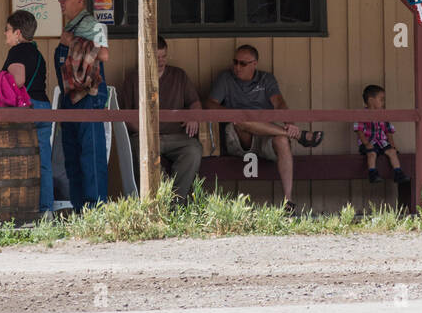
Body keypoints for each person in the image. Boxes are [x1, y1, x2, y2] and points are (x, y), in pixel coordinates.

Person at [205, 44, 322, 215]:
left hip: (264, 135)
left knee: (282, 140)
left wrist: (290, 123)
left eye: (243, 64)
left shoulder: (266, 79)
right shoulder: (225, 78)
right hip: (238, 138)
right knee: (242, 119)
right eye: (235, 62)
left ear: (254, 64)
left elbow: (279, 103)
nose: (237, 67)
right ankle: (299, 136)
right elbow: (209, 104)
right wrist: (233, 113)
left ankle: (288, 201)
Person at [120, 37, 204, 202]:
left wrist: (193, 116)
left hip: (177, 137)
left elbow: (195, 103)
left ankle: (176, 201)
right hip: (145, 137)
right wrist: (144, 131)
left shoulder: (179, 75)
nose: (160, 61)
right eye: (156, 57)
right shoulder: (133, 79)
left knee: (194, 149)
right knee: (138, 149)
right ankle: (161, 197)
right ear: (146, 57)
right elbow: (125, 114)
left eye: (163, 56)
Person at [51, 0, 110, 212]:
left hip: (89, 98)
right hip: (70, 98)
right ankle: (80, 211)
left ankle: (95, 211)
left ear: (80, 1)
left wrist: (70, 42)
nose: (61, 3)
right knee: (73, 158)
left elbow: (104, 54)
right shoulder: (73, 25)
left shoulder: (90, 24)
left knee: (91, 157)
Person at [2, 10, 54, 218]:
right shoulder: (37, 52)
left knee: (18, 158)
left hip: (26, 110)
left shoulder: (18, 51)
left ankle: (21, 210)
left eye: (7, 30)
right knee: (43, 162)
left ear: (18, 32)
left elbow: (18, 80)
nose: (5, 34)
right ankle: (46, 210)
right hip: (43, 107)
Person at [354, 85, 408, 184]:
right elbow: (359, 130)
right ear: (371, 100)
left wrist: (392, 145)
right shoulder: (362, 114)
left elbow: (388, 131)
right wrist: (366, 144)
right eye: (381, 99)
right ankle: (372, 173)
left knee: (392, 152)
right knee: (372, 153)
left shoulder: (383, 114)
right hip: (368, 142)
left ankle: (398, 173)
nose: (383, 102)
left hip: (382, 142)